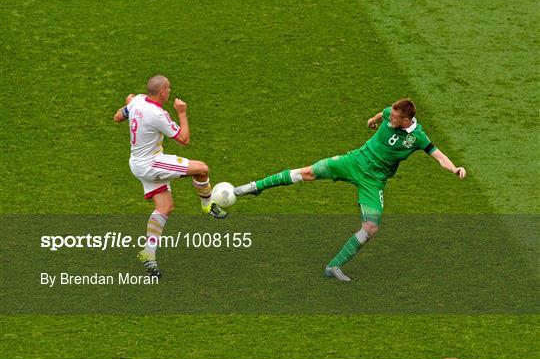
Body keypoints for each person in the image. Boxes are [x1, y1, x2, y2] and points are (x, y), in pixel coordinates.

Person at [234, 99, 466, 281]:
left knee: (371, 227)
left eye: (395, 118)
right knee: (307, 172)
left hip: (373, 181)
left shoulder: (417, 137)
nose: (390, 118)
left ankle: (333, 266)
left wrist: (454, 168)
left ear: (406, 121)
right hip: (354, 161)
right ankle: (256, 187)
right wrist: (371, 121)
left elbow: (438, 155)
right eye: (391, 115)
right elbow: (379, 115)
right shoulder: (389, 113)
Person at [114, 75, 227, 278]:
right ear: (163, 92)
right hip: (152, 163)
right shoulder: (158, 114)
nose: (171, 91)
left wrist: (129, 107)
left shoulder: (137, 100)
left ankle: (148, 254)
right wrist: (182, 113)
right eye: (169, 88)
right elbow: (183, 139)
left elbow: (118, 117)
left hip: (137, 164)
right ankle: (208, 206)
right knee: (202, 169)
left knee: (164, 208)